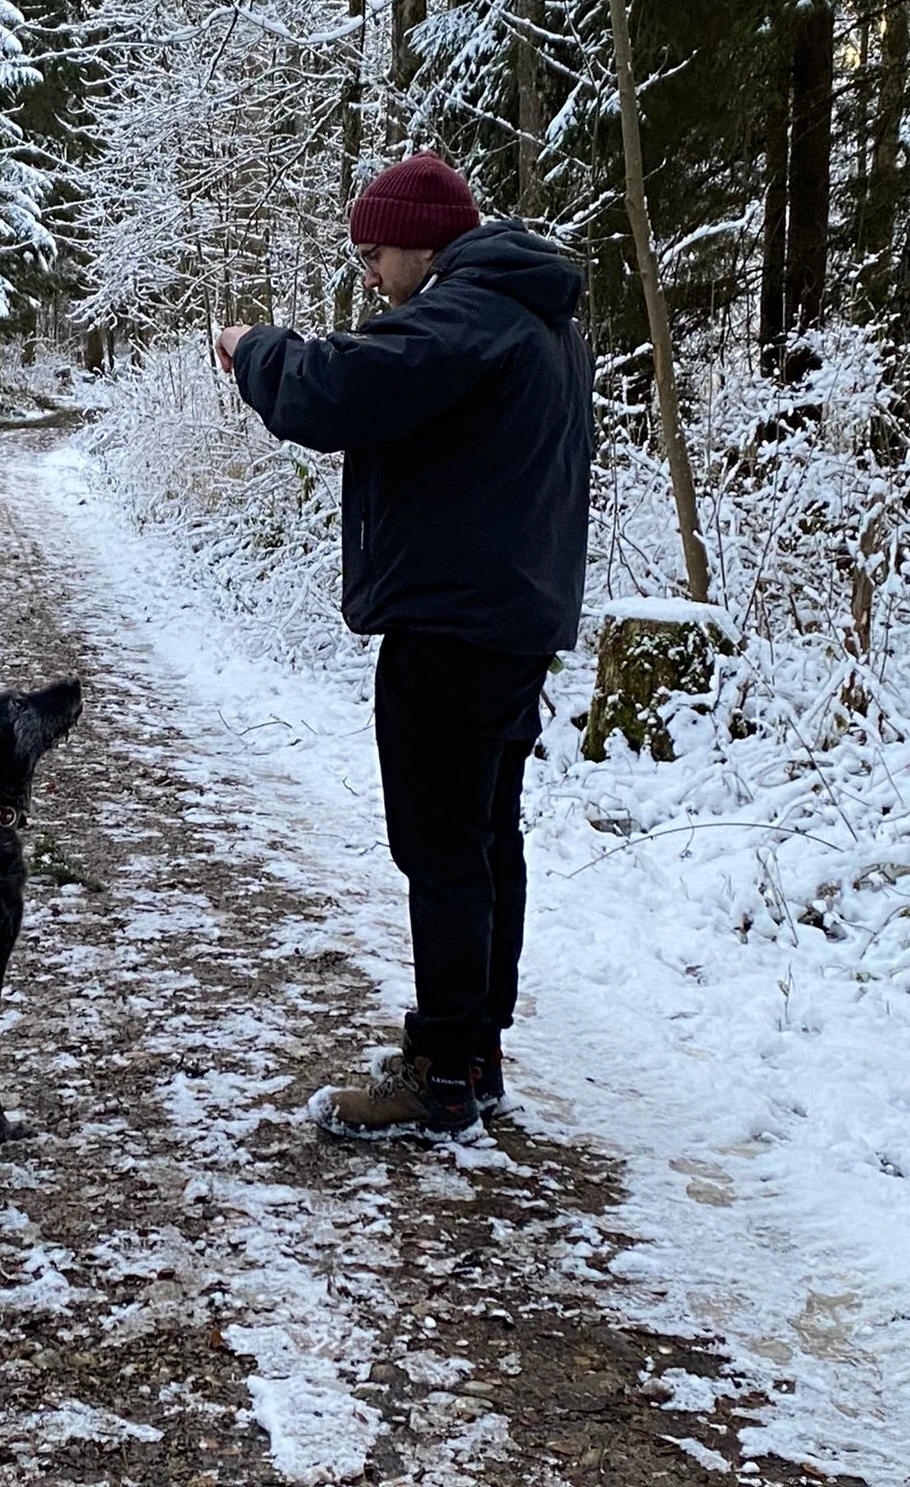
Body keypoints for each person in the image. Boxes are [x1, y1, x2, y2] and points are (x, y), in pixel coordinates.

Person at [215, 153, 593, 1142]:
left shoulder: (472, 312)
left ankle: (443, 1072)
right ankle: (475, 1056)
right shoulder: (531, 313)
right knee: (480, 837)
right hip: (507, 617)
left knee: (440, 845)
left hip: (457, 623)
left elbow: (337, 390)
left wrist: (257, 348)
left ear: (422, 242)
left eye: (376, 252)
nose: (371, 275)